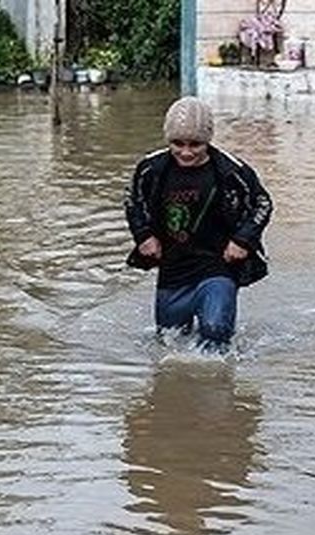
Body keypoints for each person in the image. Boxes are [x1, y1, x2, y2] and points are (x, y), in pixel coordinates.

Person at [124, 96, 273, 351]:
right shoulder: (151, 169)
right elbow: (132, 201)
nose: (186, 152)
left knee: (215, 332)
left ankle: (219, 387)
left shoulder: (231, 171)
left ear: (208, 140)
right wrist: (143, 235)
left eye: (195, 144)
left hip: (218, 265)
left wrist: (242, 240)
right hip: (174, 268)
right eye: (177, 143)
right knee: (169, 342)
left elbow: (263, 204)